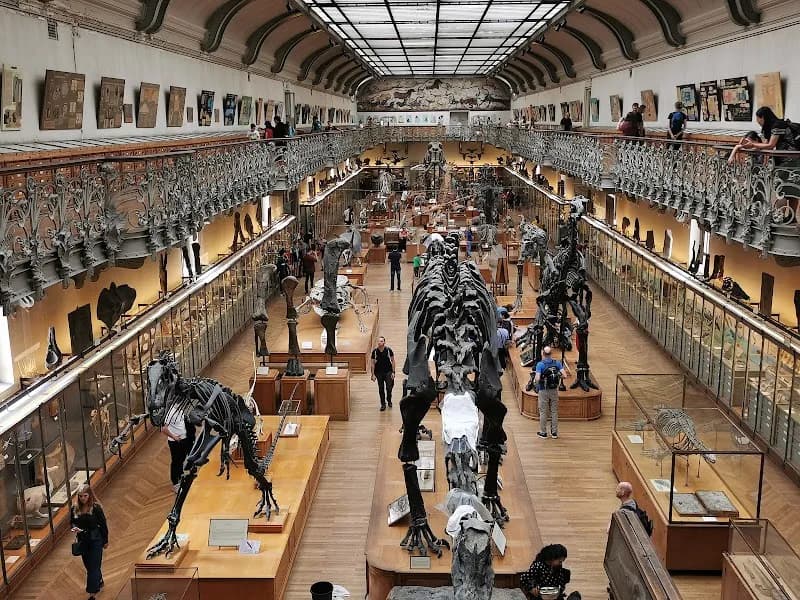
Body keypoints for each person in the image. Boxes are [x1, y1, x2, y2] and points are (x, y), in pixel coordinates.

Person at [71, 484, 108, 599]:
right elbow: (72, 522)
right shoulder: (75, 508)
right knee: (90, 566)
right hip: (83, 541)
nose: (83, 498)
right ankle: (99, 579)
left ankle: (92, 592)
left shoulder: (96, 508)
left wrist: (105, 540)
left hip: (95, 540)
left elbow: (103, 525)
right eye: (80, 496)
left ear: (90, 495)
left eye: (85, 496)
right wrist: (74, 528)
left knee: (92, 568)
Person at [728, 106, 800, 164]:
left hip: (791, 155)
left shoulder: (777, 126)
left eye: (758, 119)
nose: (758, 122)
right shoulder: (771, 128)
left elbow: (771, 145)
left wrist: (753, 144)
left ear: (762, 117)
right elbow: (766, 145)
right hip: (783, 155)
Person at [533, 346, 568, 439]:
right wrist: (558, 375)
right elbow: (565, 375)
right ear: (551, 353)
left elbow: (537, 378)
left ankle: (543, 432)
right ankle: (554, 433)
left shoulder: (540, 364)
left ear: (543, 353)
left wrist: (538, 381)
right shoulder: (557, 363)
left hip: (543, 390)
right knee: (554, 411)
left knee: (543, 411)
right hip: (554, 390)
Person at [161, 404, 195, 493]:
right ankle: (175, 483)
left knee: (182, 460)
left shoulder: (180, 409)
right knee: (176, 462)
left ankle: (181, 478)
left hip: (183, 440)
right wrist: (174, 437)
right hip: (175, 442)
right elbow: (163, 429)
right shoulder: (170, 413)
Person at [371, 336, 395, 410]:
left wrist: (393, 372)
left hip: (388, 371)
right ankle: (383, 404)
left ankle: (389, 400)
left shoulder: (388, 350)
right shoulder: (374, 352)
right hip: (379, 373)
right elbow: (372, 363)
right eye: (378, 341)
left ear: (384, 342)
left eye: (381, 341)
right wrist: (372, 374)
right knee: (381, 389)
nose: (379, 342)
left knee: (389, 388)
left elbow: (393, 361)